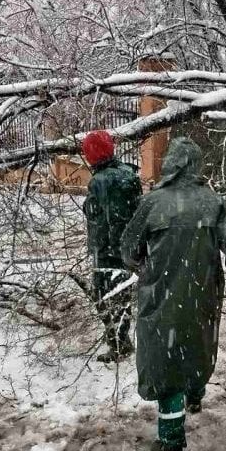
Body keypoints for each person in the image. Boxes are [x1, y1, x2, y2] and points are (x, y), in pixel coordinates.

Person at [120, 137, 226, 451]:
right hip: (203, 296)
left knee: (166, 363)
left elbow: (128, 250)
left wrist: (146, 268)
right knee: (196, 349)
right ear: (197, 166)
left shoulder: (152, 203)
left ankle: (171, 440)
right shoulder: (212, 202)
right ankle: (194, 395)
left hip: (161, 298)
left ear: (170, 165)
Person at [82, 130, 143, 363]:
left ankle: (118, 344)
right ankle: (119, 340)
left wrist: (112, 249)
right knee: (121, 296)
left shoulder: (101, 180)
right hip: (124, 248)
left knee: (105, 296)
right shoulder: (127, 172)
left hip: (108, 250)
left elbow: (112, 218)